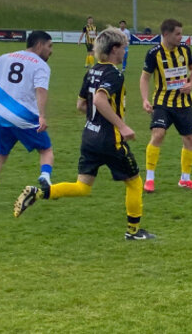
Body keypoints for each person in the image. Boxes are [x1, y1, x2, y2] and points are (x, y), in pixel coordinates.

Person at [14, 27, 154, 240]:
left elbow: (81, 105)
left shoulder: (92, 71)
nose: (125, 52)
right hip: (110, 139)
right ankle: (133, 232)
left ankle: (39, 192)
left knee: (83, 187)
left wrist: (98, 117)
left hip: (89, 137)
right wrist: (122, 126)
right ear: (114, 48)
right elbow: (98, 99)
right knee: (134, 182)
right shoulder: (114, 74)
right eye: (124, 48)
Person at [0, 31, 54, 208]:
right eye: (49, 46)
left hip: (0, 114)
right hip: (24, 117)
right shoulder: (41, 66)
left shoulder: (5, 57)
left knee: (0, 154)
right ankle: (45, 177)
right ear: (39, 45)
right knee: (46, 150)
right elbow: (41, 90)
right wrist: (42, 116)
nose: (51, 51)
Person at [139, 18, 192, 193]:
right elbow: (145, 77)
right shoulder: (154, 53)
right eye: (177, 34)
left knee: (190, 139)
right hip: (162, 102)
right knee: (158, 134)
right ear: (166, 34)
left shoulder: (185, 50)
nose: (181, 37)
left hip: (183, 102)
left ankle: (185, 179)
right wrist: (145, 99)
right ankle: (149, 179)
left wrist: (191, 84)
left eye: (181, 33)